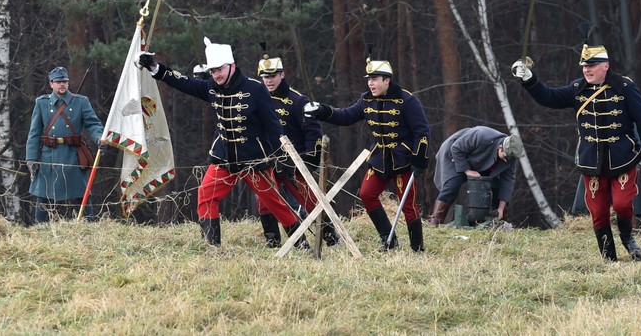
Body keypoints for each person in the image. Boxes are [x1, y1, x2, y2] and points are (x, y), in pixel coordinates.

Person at [138, 37, 310, 249]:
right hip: (223, 158)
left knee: (275, 203)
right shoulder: (211, 86)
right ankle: (212, 247)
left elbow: (273, 126)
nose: (216, 75)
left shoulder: (255, 89)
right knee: (205, 195)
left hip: (253, 159)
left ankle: (300, 244)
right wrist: (155, 67)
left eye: (219, 69)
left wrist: (280, 156)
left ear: (232, 66)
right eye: (212, 71)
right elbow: (184, 82)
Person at [511, 44, 641, 261]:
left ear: (606, 66)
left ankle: (628, 240)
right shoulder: (577, 89)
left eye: (592, 65)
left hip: (623, 159)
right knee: (598, 213)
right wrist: (529, 79)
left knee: (621, 204)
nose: (587, 70)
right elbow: (548, 98)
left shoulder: (625, 87)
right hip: (592, 162)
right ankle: (609, 258)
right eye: (584, 66)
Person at [304, 56, 431, 252]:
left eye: (375, 79)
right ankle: (388, 241)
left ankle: (417, 248)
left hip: (403, 160)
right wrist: (322, 110)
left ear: (387, 80)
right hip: (380, 159)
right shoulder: (366, 100)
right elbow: (345, 116)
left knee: (408, 205)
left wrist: (419, 158)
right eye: (369, 79)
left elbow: (422, 132)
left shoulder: (407, 100)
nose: (371, 83)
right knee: (366, 194)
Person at [255, 54, 337, 248]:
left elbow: (313, 132)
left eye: (273, 75)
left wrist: (309, 160)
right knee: (265, 200)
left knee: (309, 200)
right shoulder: (257, 99)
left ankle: (330, 235)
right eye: (265, 76)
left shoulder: (298, 101)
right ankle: (273, 241)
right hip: (268, 162)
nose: (269, 80)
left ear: (282, 74)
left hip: (295, 162)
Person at [25, 66, 104, 223]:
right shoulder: (42, 103)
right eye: (58, 82)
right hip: (49, 155)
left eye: (65, 82)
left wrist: (99, 138)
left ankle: (90, 225)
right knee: (43, 195)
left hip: (73, 155)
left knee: (82, 194)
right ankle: (39, 228)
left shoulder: (81, 102)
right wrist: (31, 157)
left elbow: (93, 124)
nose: (62, 85)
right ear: (51, 84)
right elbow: (34, 133)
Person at [431, 127, 523, 226]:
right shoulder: (481, 136)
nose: (506, 161)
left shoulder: (510, 157)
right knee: (452, 185)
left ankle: (495, 224)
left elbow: (507, 182)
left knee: (496, 186)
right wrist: (467, 171)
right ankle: (435, 222)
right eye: (505, 157)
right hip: (454, 153)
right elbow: (456, 148)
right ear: (500, 147)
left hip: (481, 161)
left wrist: (501, 208)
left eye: (509, 159)